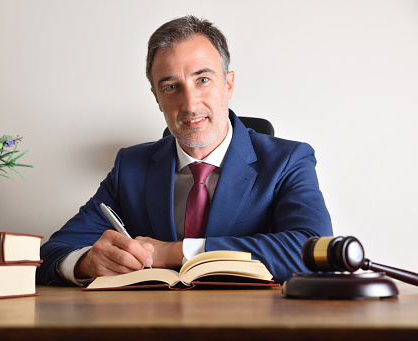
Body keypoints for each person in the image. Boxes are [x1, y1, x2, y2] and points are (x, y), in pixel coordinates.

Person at [36, 15, 332, 286]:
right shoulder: (131, 166)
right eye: (170, 87)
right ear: (156, 97)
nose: (189, 104)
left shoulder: (289, 160)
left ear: (228, 85)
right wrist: (86, 262)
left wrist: (176, 252)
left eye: (202, 80)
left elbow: (315, 251)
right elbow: (50, 254)